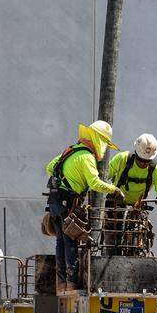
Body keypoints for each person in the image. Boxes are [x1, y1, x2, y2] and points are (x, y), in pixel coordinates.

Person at [44, 120, 124, 291]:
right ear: (99, 140)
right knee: (70, 242)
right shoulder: (87, 157)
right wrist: (114, 189)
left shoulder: (70, 151)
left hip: (55, 202)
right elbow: (95, 183)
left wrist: (68, 177)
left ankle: (62, 285)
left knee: (61, 243)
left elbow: (50, 168)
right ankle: (71, 285)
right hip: (68, 204)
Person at [107, 133, 157, 206]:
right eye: (141, 160)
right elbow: (105, 175)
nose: (143, 164)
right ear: (136, 153)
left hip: (138, 207)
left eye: (147, 161)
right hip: (115, 204)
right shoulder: (122, 159)